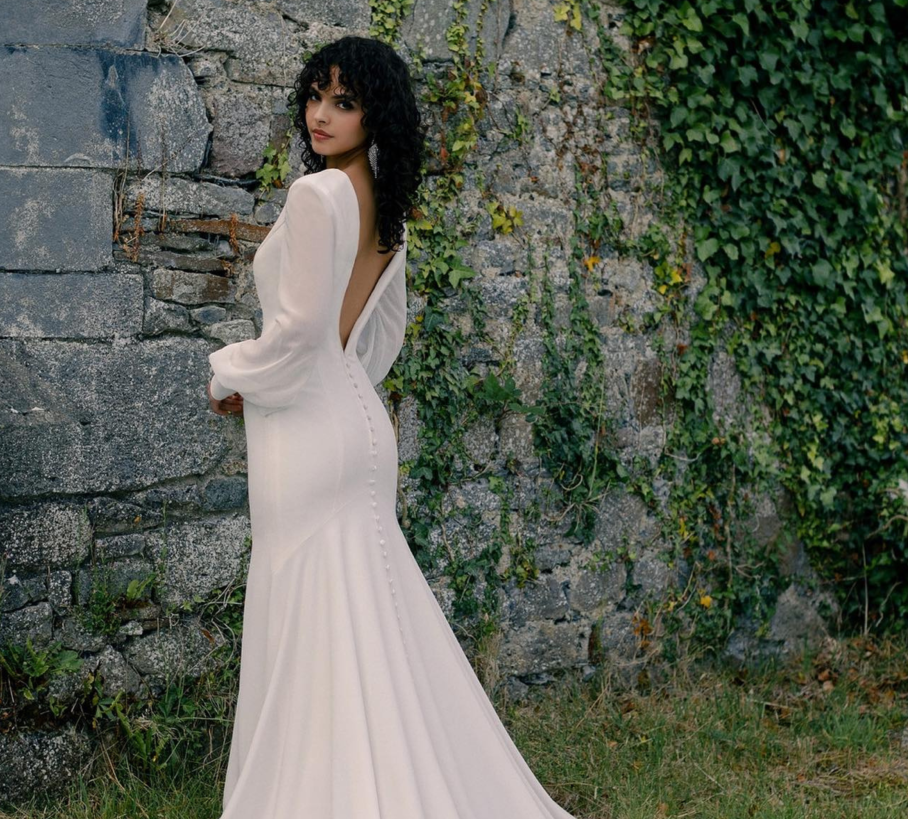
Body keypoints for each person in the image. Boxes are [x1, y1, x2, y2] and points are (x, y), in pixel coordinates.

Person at [206, 35, 580, 819]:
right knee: (364, 618)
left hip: (306, 434)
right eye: (315, 95)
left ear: (375, 115)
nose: (320, 113)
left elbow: (301, 331)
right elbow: (372, 338)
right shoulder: (379, 198)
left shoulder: (317, 196)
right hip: (355, 422)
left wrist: (232, 371)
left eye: (344, 102)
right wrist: (316, 384)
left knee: (311, 618)